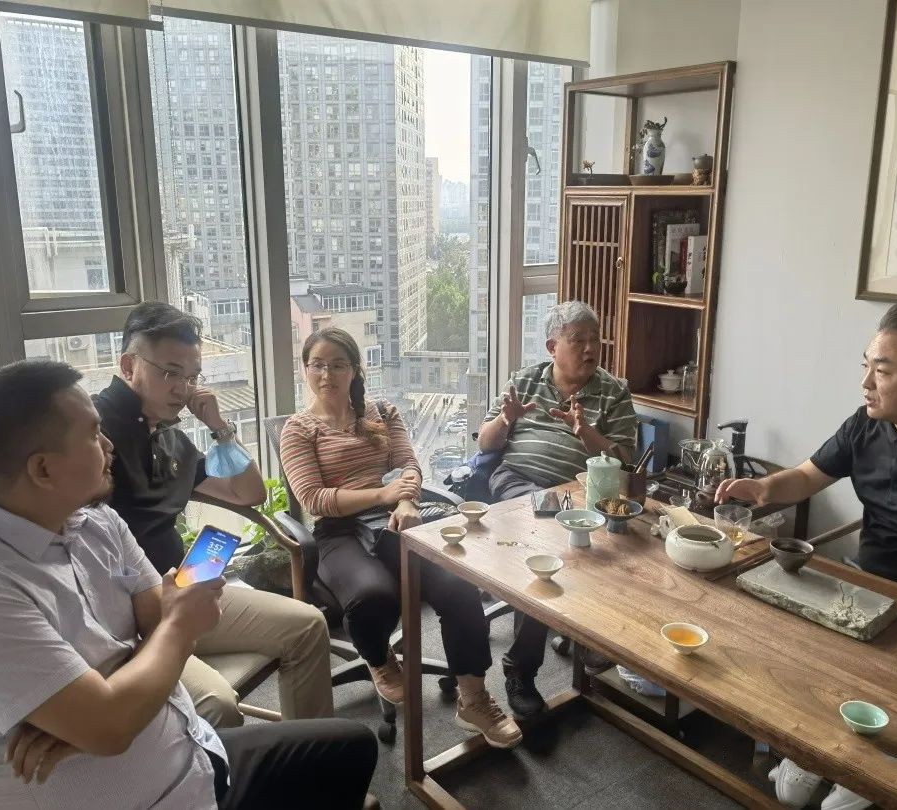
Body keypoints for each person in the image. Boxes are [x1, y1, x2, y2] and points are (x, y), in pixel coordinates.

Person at [0, 361, 377, 810]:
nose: (107, 445)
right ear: (43, 469)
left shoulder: (97, 520)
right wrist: (112, 708)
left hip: (197, 757)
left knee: (353, 746)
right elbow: (121, 707)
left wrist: (97, 717)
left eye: (193, 373)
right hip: (155, 798)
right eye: (93, 435)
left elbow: (158, 622)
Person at [717, 302, 897, 810]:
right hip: (865, 588)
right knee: (789, 772)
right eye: (866, 365)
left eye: (883, 370)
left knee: (858, 780)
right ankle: (819, 742)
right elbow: (807, 476)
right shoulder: (864, 426)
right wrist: (762, 488)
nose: (866, 382)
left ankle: (871, 759)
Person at [280, 327, 523, 750]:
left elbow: (409, 465)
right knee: (373, 595)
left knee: (457, 586)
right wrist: (382, 494)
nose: (327, 374)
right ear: (305, 369)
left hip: (395, 518)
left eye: (337, 365)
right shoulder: (299, 429)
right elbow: (314, 499)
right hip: (339, 530)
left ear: (355, 370)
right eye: (317, 365)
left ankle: (474, 698)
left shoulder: (382, 412)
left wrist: (406, 500)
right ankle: (378, 658)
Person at [94, 302, 333, 727]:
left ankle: (309, 757)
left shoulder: (168, 438)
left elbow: (249, 493)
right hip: (123, 618)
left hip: (186, 589)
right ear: (129, 366)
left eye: (192, 377)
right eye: (171, 373)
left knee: (309, 625)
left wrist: (220, 428)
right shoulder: (93, 434)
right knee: (217, 703)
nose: (183, 389)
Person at [477, 300, 638, 719]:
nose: (590, 349)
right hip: (516, 480)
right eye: (577, 340)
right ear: (553, 346)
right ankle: (523, 669)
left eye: (595, 340)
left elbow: (626, 461)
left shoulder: (614, 391)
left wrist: (587, 434)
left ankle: (587, 631)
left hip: (582, 492)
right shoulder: (524, 380)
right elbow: (485, 443)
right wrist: (505, 421)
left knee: (614, 544)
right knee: (549, 542)